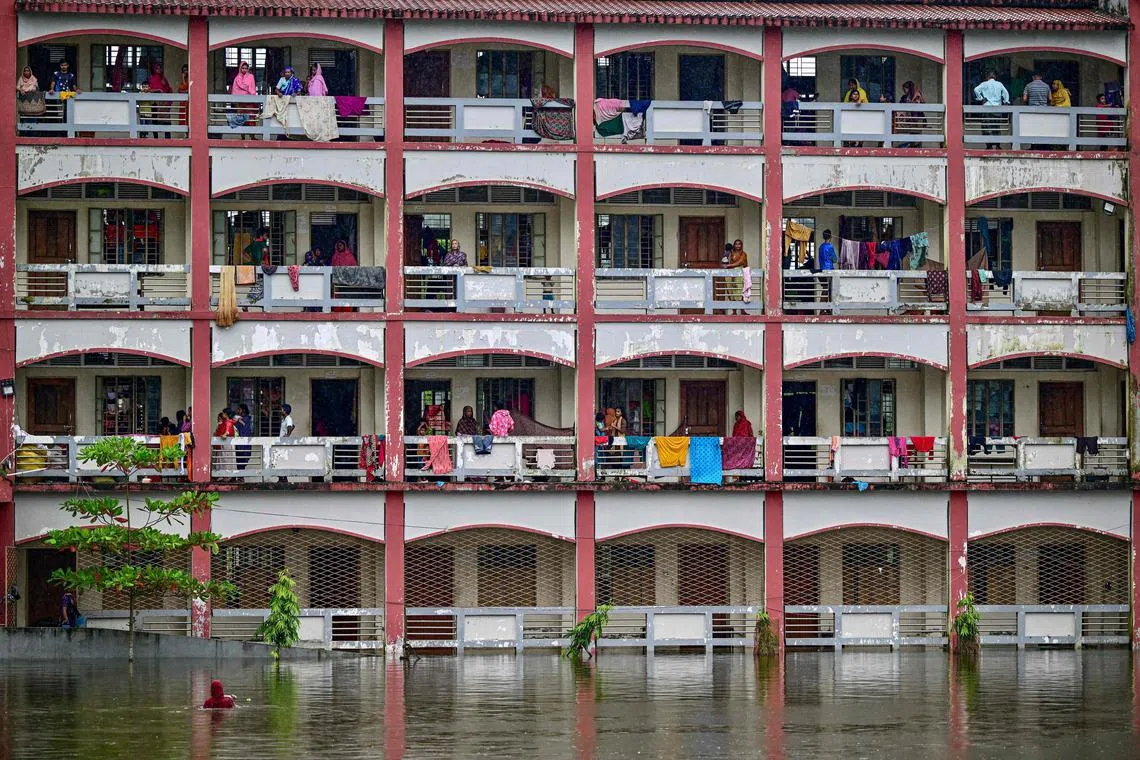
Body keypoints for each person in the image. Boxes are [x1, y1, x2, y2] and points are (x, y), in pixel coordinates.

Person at [973, 71, 1010, 149]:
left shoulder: (984, 84)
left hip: (987, 107)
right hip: (997, 109)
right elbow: (1006, 93)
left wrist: (981, 98)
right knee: (996, 126)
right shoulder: (999, 84)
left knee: (986, 127)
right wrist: (1006, 101)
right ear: (995, 77)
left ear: (987, 77)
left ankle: (989, 146)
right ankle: (997, 145)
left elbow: (976, 89)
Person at [723, 239, 748, 314]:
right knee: (731, 292)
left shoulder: (743, 254)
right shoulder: (731, 253)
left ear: (741, 245)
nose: (737, 245)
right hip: (731, 274)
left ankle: (742, 310)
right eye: (736, 244)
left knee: (740, 291)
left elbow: (740, 262)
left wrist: (729, 265)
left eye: (739, 244)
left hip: (740, 275)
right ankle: (734, 311)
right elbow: (726, 261)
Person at [897, 81, 925, 147]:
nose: (904, 90)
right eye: (903, 89)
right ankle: (912, 145)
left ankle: (917, 146)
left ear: (909, 88)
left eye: (905, 88)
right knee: (911, 133)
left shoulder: (917, 95)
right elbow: (900, 104)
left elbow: (922, 103)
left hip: (916, 117)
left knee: (916, 133)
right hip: (908, 118)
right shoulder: (904, 97)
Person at [234, 403, 253, 472]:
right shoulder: (240, 419)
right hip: (240, 443)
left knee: (241, 461)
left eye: (239, 409)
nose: (237, 410)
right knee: (238, 461)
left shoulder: (246, 419)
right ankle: (239, 477)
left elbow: (244, 431)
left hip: (243, 444)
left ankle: (241, 477)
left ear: (243, 410)